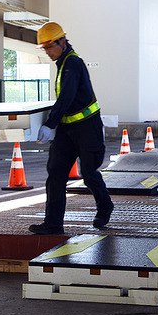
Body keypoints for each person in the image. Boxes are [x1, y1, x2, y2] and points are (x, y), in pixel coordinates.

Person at [29, 22, 113, 235]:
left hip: (87, 127)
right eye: (45, 48)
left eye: (49, 47)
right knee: (55, 173)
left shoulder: (73, 63)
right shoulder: (62, 63)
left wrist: (49, 124)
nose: (47, 52)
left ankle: (105, 206)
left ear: (62, 42)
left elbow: (67, 96)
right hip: (67, 129)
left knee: (88, 172)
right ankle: (53, 223)